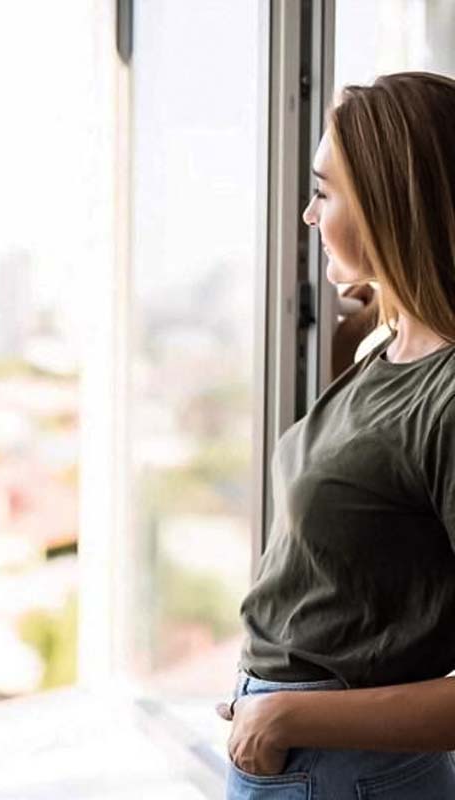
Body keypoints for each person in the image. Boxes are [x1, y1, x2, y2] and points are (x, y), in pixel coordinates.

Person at [217, 71, 455, 799]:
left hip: (345, 770)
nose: (306, 215)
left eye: (324, 191)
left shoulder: (446, 394)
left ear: (392, 205)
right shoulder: (382, 346)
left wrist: (287, 716)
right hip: (308, 757)